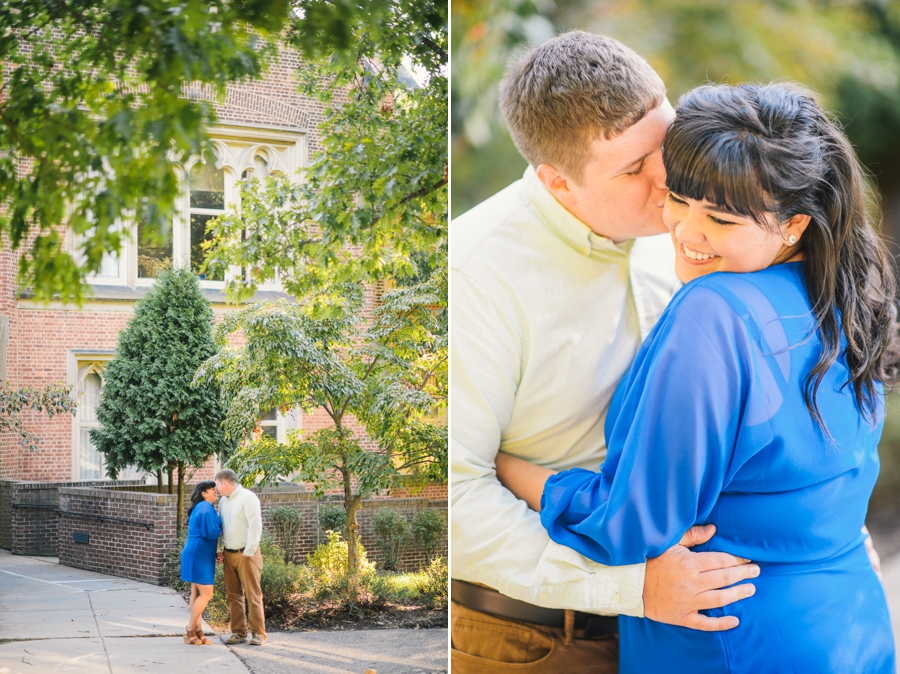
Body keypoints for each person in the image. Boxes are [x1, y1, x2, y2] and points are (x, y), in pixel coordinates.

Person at [496, 82, 898, 672]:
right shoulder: (844, 300)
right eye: (679, 199)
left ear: (793, 225)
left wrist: (508, 468)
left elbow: (632, 524)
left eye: (721, 218)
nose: (686, 231)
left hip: (733, 635)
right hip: (853, 623)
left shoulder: (712, 310)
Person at [451, 31, 762, 673]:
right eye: (630, 170)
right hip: (541, 638)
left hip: (700, 620)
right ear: (558, 183)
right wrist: (633, 587)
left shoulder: (699, 222)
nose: (670, 181)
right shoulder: (475, 276)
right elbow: (454, 497)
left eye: (666, 144)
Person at [214, 468, 266, 646]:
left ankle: (258, 634)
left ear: (224, 483)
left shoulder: (248, 497)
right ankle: (238, 632)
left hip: (247, 555)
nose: (216, 489)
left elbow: (255, 525)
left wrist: (249, 551)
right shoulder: (223, 502)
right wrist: (220, 549)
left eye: (217, 485)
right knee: (233, 596)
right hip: (229, 554)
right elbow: (221, 527)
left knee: (253, 595)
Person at [180, 480, 222, 646]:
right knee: (207, 594)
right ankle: (191, 628)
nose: (215, 491)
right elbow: (210, 532)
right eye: (213, 489)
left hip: (197, 551)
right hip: (199, 553)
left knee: (196, 593)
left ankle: (198, 630)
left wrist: (217, 551)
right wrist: (224, 529)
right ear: (204, 493)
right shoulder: (205, 507)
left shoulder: (200, 507)